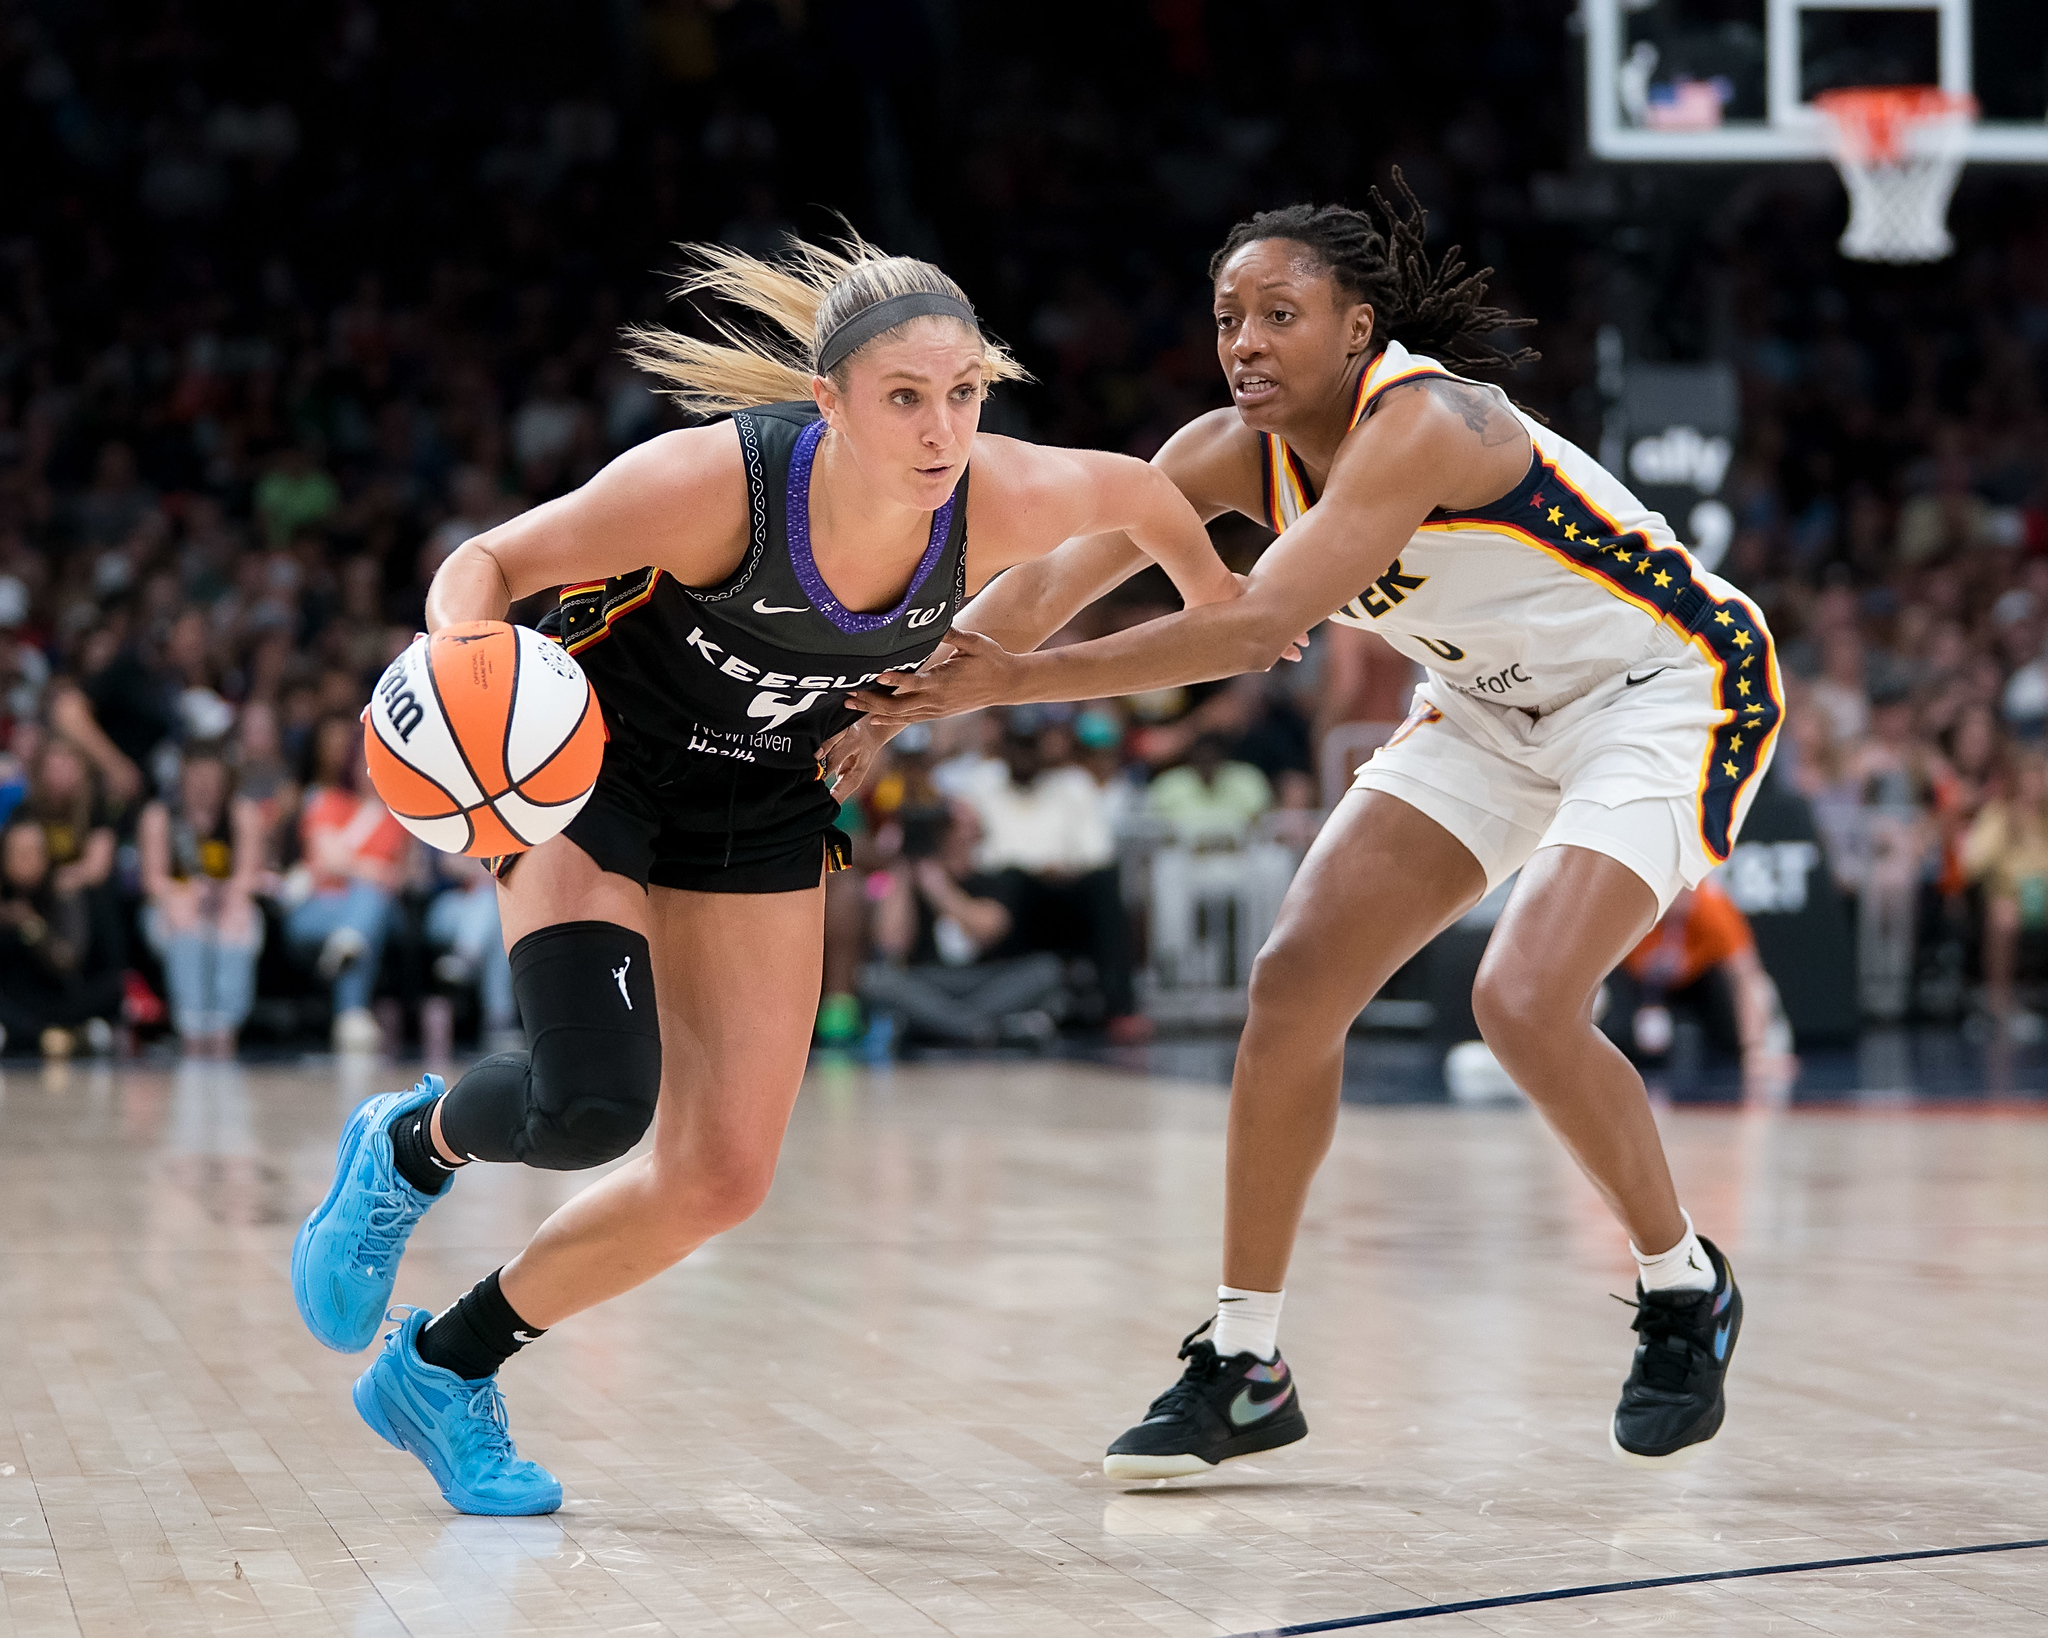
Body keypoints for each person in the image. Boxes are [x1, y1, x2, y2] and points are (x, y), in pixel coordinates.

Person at [289, 234, 1240, 1516]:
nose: (941, 429)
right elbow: (493, 563)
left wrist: (1212, 597)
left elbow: (1134, 489)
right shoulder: (712, 485)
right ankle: (408, 1149)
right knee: (590, 1110)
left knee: (721, 1175)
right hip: (595, 773)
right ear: (827, 401)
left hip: (767, 796)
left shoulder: (998, 498)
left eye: (962, 395)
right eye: (904, 397)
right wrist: (466, 665)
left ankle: (443, 1371)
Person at [853, 178, 1783, 1474]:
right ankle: (1246, 1361)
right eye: (1228, 315)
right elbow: (1053, 585)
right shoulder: (1225, 452)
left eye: (1279, 314)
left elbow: (1245, 627)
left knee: (1521, 998)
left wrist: (1006, 686)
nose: (1244, 341)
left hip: (1665, 687)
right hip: (1482, 705)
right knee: (1293, 982)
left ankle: (1683, 1283)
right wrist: (891, 699)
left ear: (1357, 329)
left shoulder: (1429, 423)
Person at [860, 802, 1064, 1047]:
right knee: (875, 977)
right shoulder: (908, 880)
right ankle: (990, 1031)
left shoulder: (997, 877)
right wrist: (903, 867)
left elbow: (989, 929)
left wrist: (939, 890)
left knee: (1046, 970)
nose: (957, 833)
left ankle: (942, 1027)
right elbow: (890, 943)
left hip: (986, 979)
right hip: (930, 980)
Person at [287, 713, 410, 1052]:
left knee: (370, 904)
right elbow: (328, 861)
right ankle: (351, 1013)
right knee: (365, 912)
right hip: (317, 909)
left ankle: (349, 951)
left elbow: (403, 877)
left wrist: (360, 871)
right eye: (364, 762)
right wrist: (373, 870)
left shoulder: (399, 816)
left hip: (382, 911)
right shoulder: (326, 802)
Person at [138, 743, 267, 1054]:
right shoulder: (160, 817)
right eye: (197, 779)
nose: (205, 787)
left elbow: (249, 877)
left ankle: (226, 1025)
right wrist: (185, 892)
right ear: (183, 779)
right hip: (173, 911)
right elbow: (152, 882)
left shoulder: (241, 816)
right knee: (184, 917)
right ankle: (192, 1025)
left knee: (237, 920)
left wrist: (223, 894)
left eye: (212, 779)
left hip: (226, 910)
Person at [1600, 878, 1788, 1092]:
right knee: (1607, 1008)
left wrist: (1754, 1051)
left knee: (1761, 990)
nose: (1679, 898)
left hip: (1698, 985)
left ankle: (1765, 1051)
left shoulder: (1711, 906)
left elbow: (1746, 976)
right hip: (1636, 987)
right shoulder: (1631, 908)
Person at [0, 818, 122, 1057]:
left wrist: (31, 926)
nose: (26, 860)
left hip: (55, 995)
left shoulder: (62, 893)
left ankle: (43, 1037)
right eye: (19, 853)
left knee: (113, 988)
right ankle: (64, 1038)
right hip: (12, 999)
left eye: (33, 852)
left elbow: (68, 960)